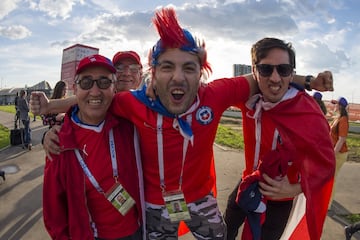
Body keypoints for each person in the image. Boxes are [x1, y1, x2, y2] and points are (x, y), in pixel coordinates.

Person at [31, 8, 334, 240]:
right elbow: (93, 99)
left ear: (201, 73)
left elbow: (264, 77)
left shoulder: (215, 95)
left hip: (201, 201)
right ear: (154, 72)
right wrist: (53, 115)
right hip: (152, 208)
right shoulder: (134, 103)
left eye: (188, 67)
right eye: (167, 67)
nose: (177, 77)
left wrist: (307, 81)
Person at [223, 38, 335, 240]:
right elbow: (218, 90)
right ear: (254, 71)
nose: (275, 78)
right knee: (226, 228)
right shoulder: (251, 97)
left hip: (280, 195)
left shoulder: (309, 113)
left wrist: (295, 188)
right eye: (266, 69)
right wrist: (308, 80)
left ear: (291, 73)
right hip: (249, 181)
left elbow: (326, 166)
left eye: (283, 69)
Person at [42, 54, 144, 239]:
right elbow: (54, 212)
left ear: (114, 88)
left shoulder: (129, 123)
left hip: (138, 229)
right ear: (75, 88)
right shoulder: (59, 144)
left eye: (104, 82)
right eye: (86, 83)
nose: (95, 91)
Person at [328, 96, 349, 208]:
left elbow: (342, 139)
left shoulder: (343, 120)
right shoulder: (338, 117)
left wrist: (333, 154)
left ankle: (328, 205)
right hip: (335, 152)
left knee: (332, 178)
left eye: (335, 104)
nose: (334, 106)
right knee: (330, 177)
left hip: (339, 153)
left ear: (340, 106)